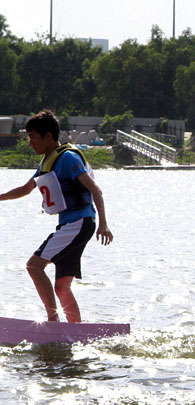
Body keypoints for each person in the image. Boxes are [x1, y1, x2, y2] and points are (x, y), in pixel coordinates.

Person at [0, 110, 113, 322]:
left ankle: (53, 323)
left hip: (79, 223)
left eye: (33, 137)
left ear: (48, 137)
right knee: (61, 287)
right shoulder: (46, 163)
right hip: (72, 225)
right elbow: (25, 189)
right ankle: (76, 331)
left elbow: (95, 189)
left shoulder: (68, 158)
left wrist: (104, 225)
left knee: (34, 266)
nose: (30, 143)